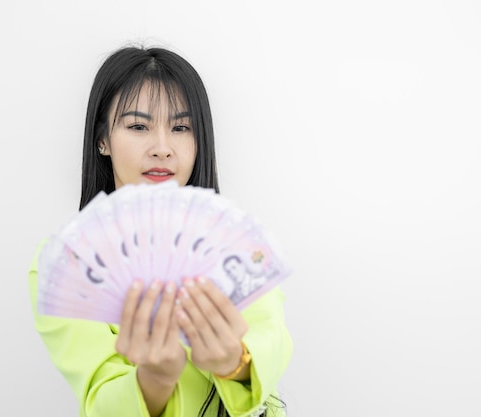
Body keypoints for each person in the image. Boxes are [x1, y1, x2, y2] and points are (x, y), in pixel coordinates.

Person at [28, 44, 293, 417]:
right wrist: (153, 380)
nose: (163, 148)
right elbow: (98, 397)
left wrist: (235, 362)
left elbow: (271, 343)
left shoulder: (237, 245)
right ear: (102, 139)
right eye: (138, 126)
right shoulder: (65, 263)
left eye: (181, 127)